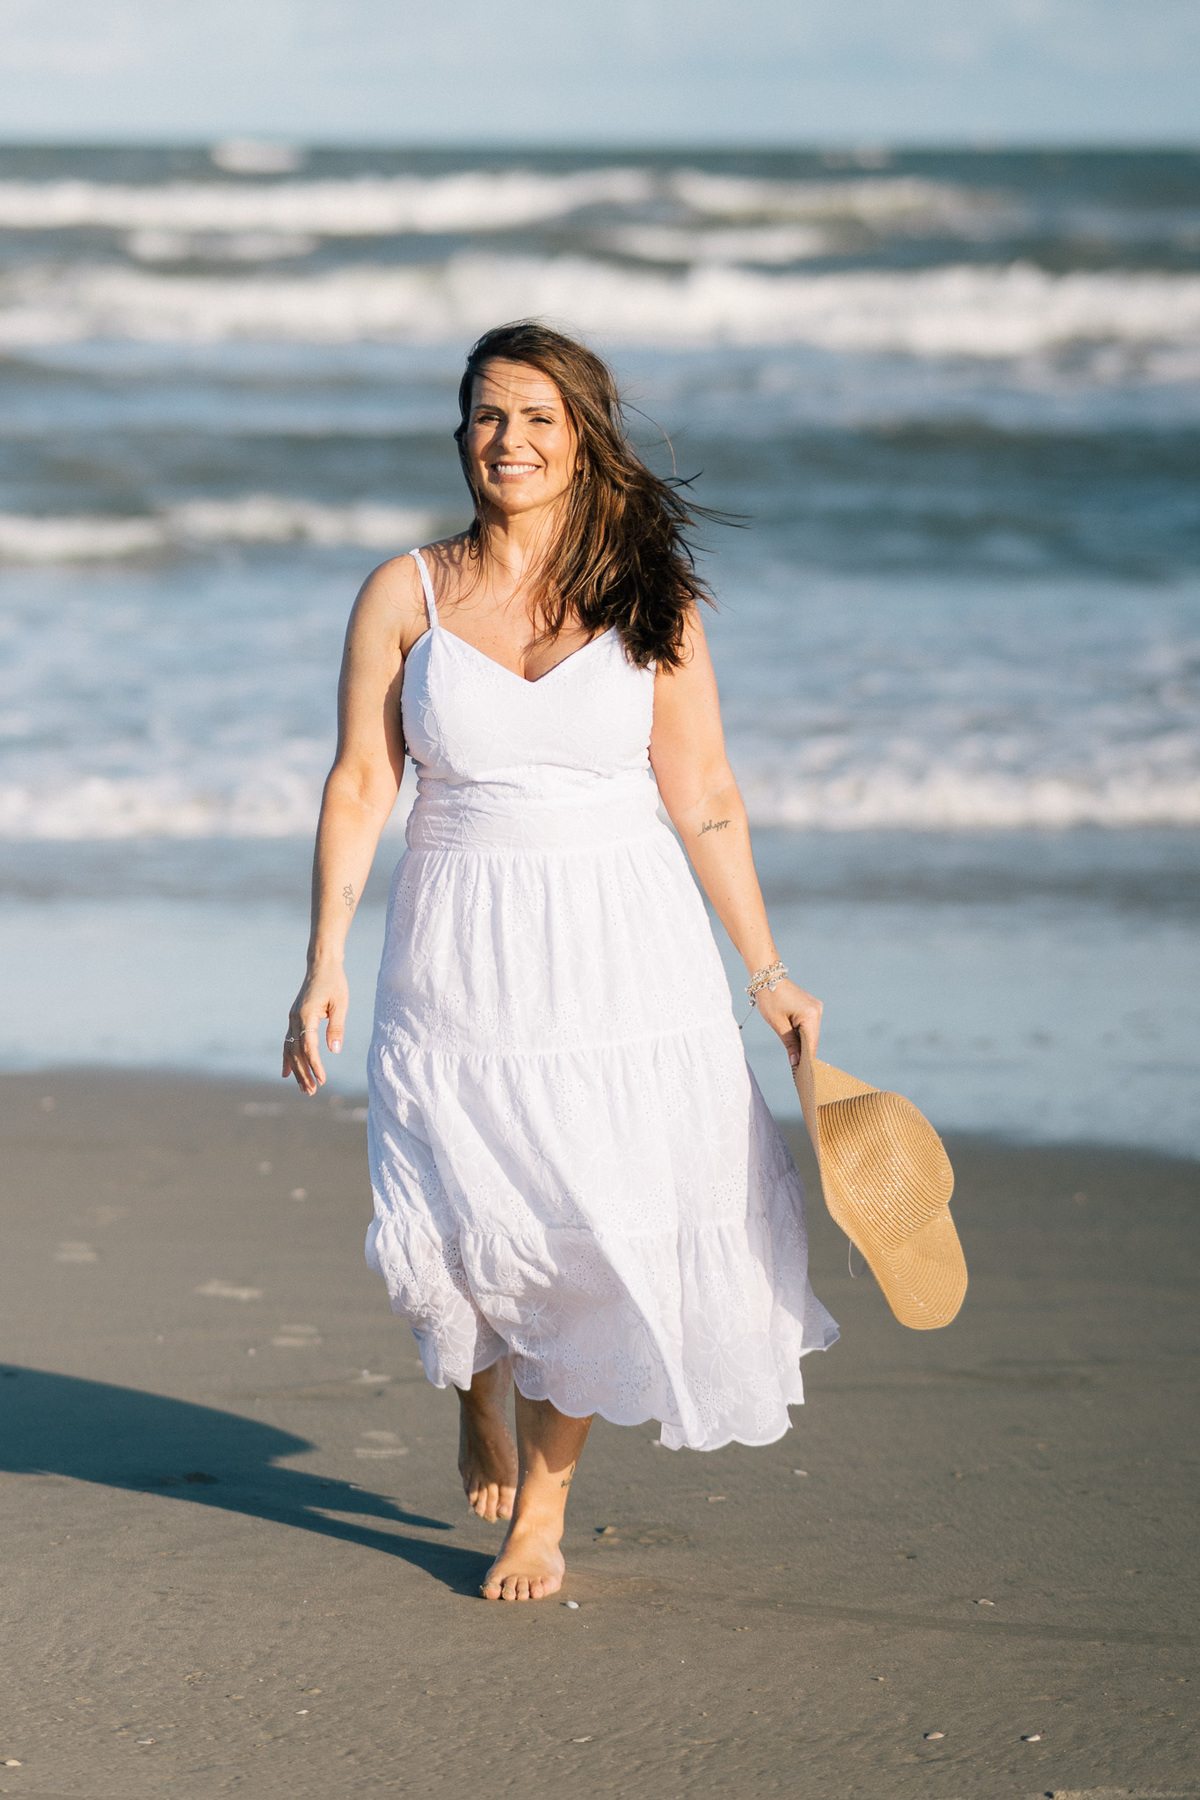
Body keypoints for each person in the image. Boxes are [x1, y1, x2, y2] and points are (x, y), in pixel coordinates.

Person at [283, 320, 837, 1603]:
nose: (509, 441)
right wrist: (324, 959)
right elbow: (363, 781)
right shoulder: (403, 593)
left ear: (583, 435)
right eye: (487, 416)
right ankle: (477, 1393)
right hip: (459, 944)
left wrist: (767, 971)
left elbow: (702, 794)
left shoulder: (657, 599)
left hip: (621, 951)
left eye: (536, 416)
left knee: (596, 1225)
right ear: (459, 435)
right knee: (472, 1207)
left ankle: (543, 1508)